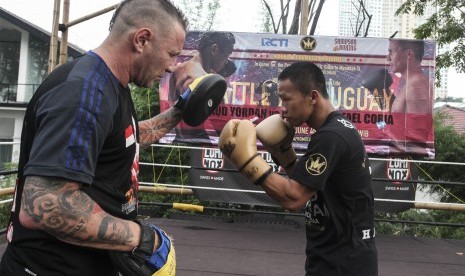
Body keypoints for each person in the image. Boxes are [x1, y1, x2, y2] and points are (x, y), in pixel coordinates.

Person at [0, 0, 194, 275]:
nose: (172, 66)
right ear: (142, 40)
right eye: (171, 54)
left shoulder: (112, 85)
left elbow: (125, 140)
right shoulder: (83, 92)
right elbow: (44, 205)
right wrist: (142, 238)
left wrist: (181, 110)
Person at [219, 61, 378, 275]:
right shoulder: (336, 129)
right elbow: (308, 187)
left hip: (343, 263)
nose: (282, 108)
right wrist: (283, 153)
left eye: (286, 99)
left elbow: (294, 198)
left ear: (312, 97)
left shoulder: (331, 137)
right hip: (338, 257)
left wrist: (248, 162)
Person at [168, 31, 236, 143]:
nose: (226, 62)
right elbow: (225, 127)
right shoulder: (205, 81)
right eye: (226, 55)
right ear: (214, 50)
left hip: (179, 141)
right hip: (196, 144)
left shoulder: (179, 70)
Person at [387, 39, 433, 114]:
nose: (388, 58)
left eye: (391, 52)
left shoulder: (417, 86)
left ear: (409, 54)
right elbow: (400, 120)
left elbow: (418, 125)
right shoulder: (412, 84)